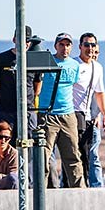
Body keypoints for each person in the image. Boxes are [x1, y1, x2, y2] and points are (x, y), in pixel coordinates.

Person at [39, 33, 83, 188]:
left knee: (73, 155)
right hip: (48, 114)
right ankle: (41, 191)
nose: (65, 48)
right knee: (44, 156)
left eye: (68, 45)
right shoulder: (47, 62)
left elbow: (73, 85)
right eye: (61, 45)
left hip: (68, 115)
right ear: (55, 46)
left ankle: (79, 190)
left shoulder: (74, 65)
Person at [0, 26, 43, 133]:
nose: (24, 43)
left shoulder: (34, 59)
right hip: (6, 111)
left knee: (31, 140)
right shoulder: (2, 58)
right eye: (21, 40)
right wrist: (3, 99)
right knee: (5, 139)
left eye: (27, 40)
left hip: (28, 110)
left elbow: (37, 87)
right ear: (14, 40)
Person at [72, 33, 105, 186]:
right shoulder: (73, 65)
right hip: (72, 115)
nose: (90, 48)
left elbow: (100, 92)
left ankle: (89, 185)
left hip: (88, 117)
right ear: (80, 46)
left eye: (93, 45)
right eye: (86, 44)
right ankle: (70, 184)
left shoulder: (97, 68)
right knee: (73, 153)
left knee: (89, 154)